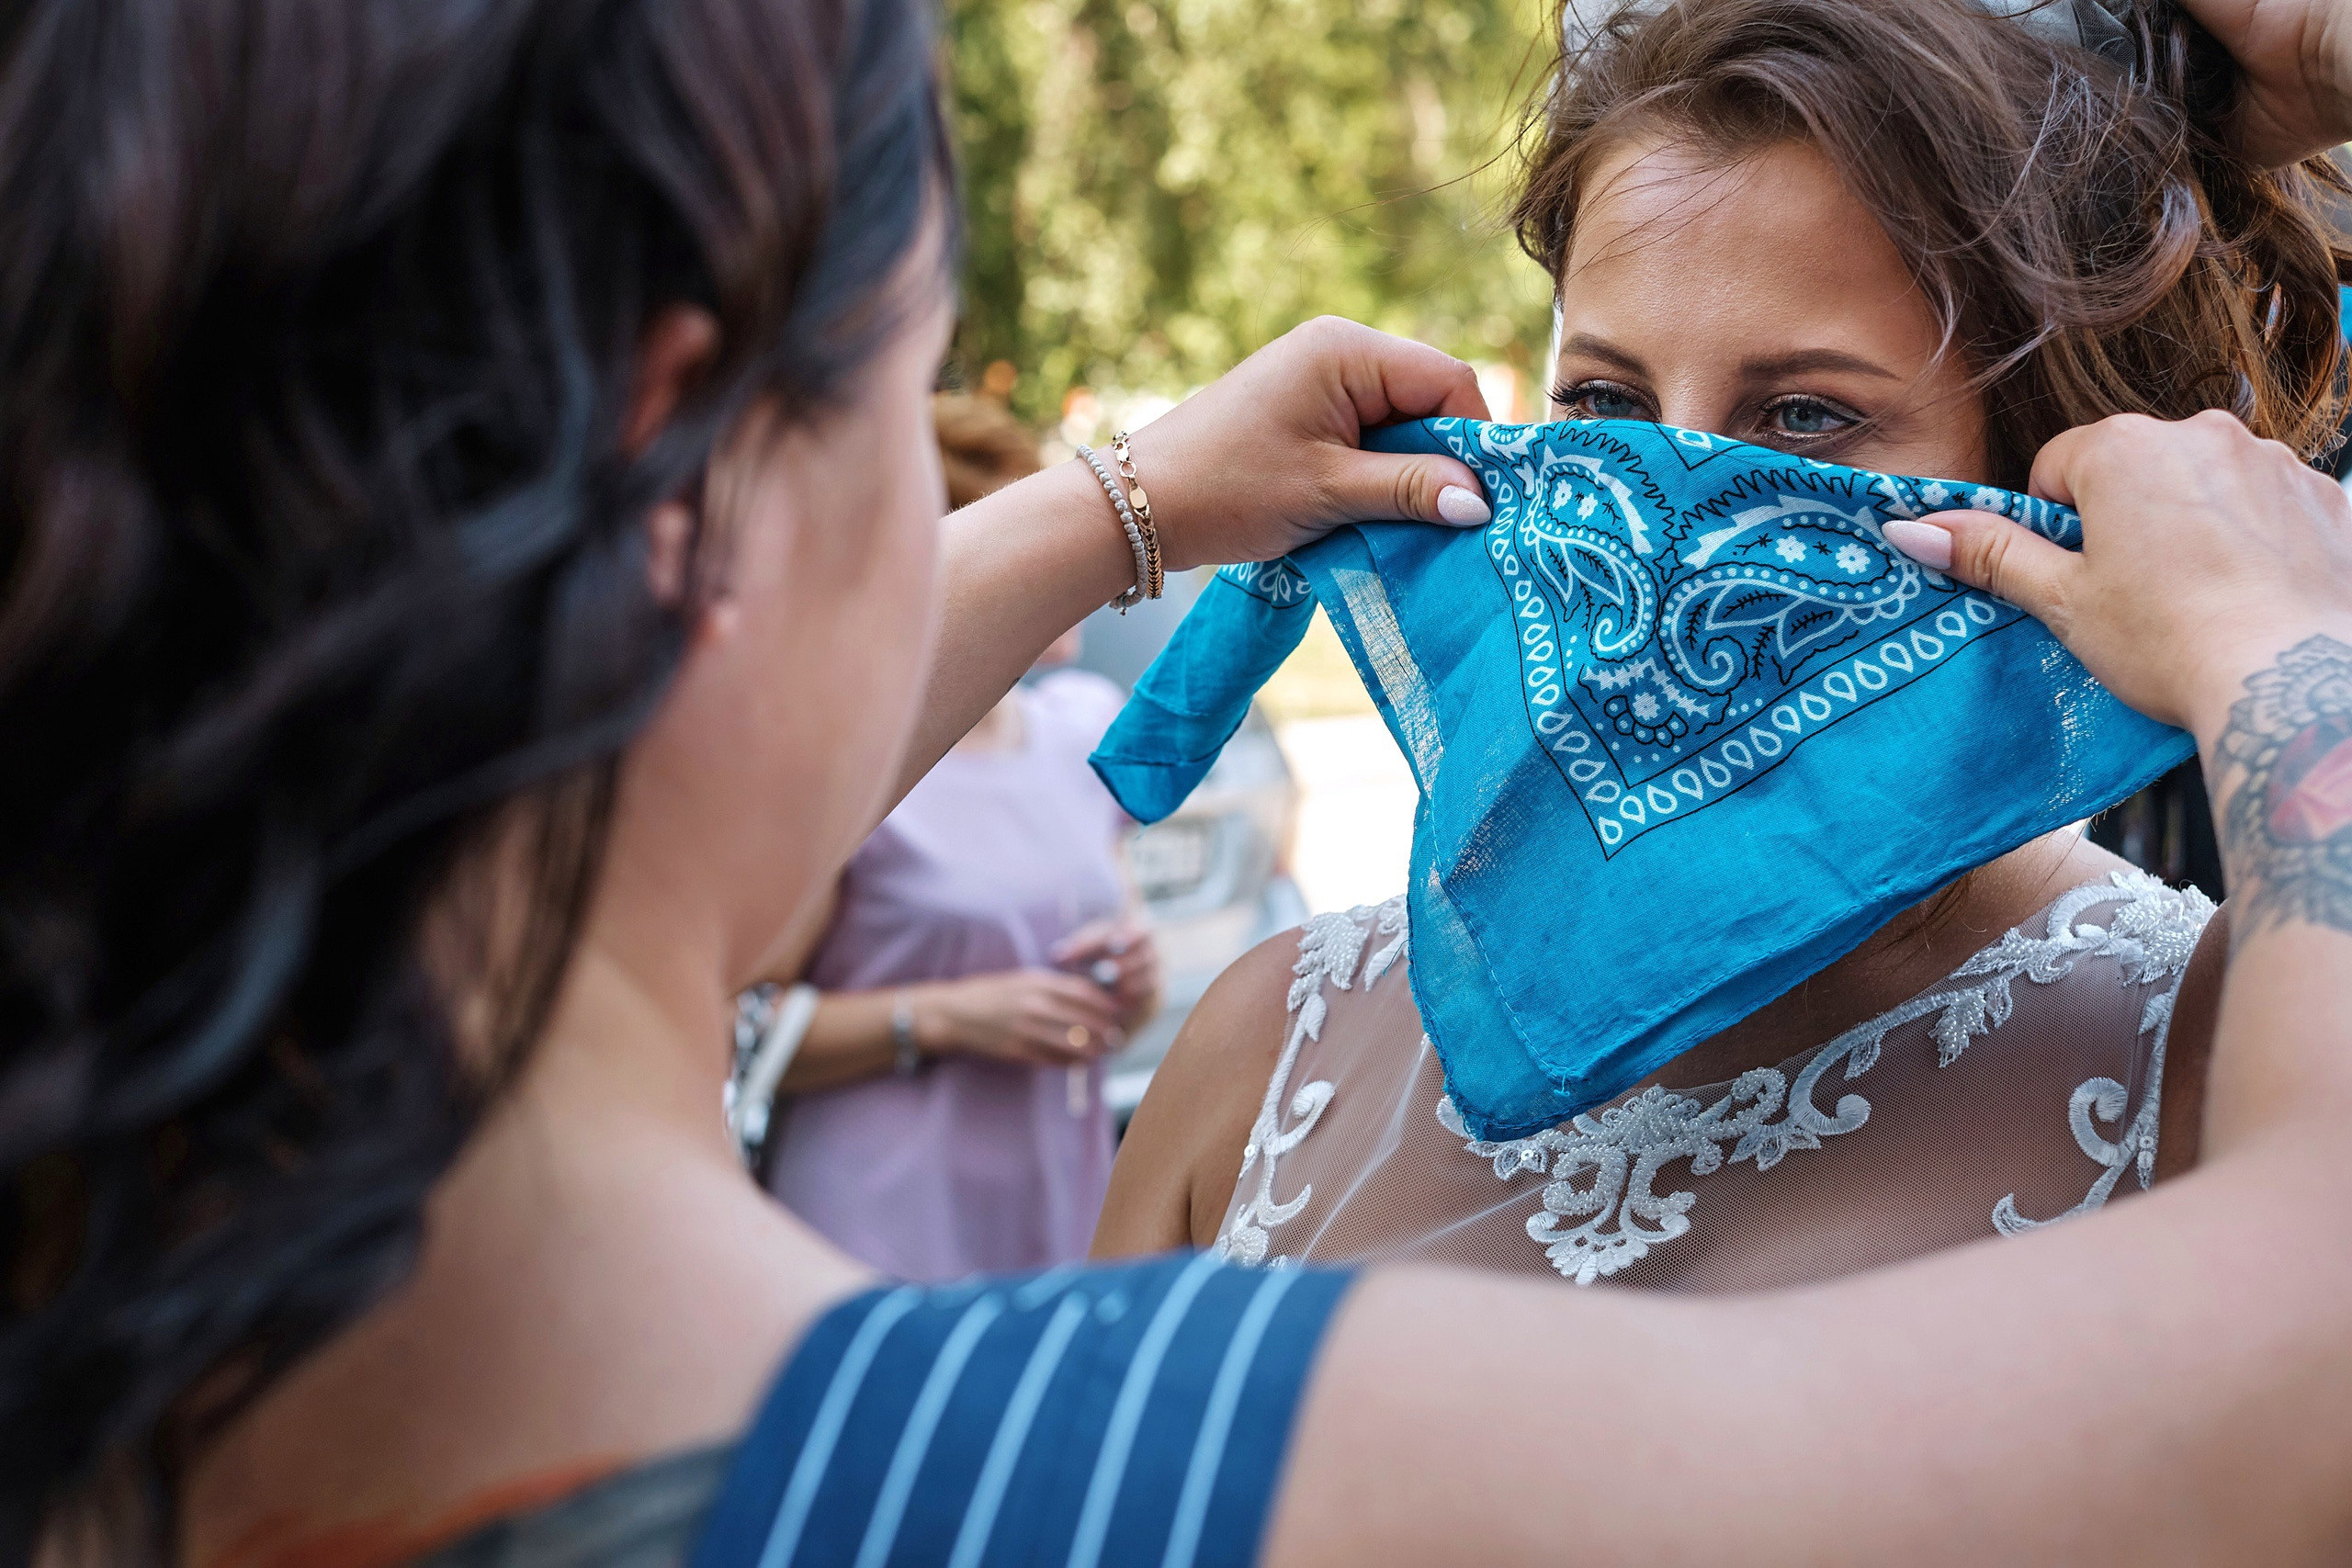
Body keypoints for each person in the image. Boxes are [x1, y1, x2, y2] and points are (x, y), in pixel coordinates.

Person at [4, 1, 2351, 1567]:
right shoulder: (1163, 1394)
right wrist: (2278, 649)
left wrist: (1104, 514)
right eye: (903, 388)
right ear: (683, 467)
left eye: (1802, 422)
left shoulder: (136, 1306)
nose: (1643, 508)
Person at [1094, 0, 2336, 1287]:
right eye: (1604, 403)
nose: (1663, 506)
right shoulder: (1267, 1045)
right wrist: (1116, 506)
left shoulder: (2215, 1057)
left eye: (1802, 414)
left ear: (2057, 469)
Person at [753, 393, 1159, 1280]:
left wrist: (1134, 982)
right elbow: (741, 1026)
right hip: (879, 1220)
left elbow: (1115, 993)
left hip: (1057, 1195)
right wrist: (945, 1018)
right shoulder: (852, 763)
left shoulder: (1084, 727)